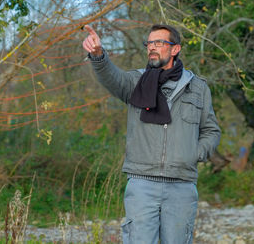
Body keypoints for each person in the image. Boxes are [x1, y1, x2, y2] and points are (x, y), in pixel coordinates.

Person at [82, 24, 221, 244]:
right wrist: (98, 55)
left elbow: (211, 130)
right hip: (142, 184)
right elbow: (112, 77)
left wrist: (194, 153)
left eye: (159, 43)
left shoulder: (198, 88)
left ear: (175, 49)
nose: (151, 48)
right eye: (149, 43)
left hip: (182, 185)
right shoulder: (136, 82)